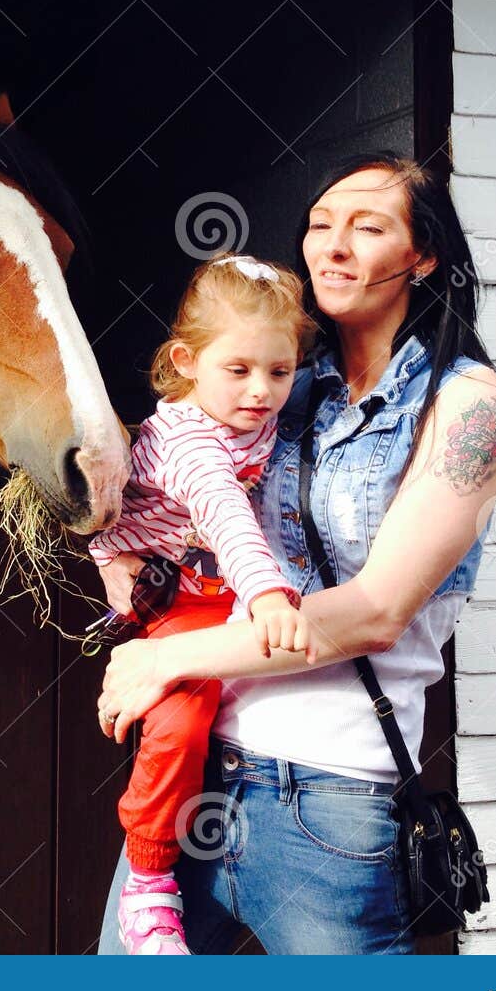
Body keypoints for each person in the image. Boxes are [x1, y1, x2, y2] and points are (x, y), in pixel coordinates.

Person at [93, 153, 496, 954]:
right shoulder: (276, 382)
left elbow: (376, 612)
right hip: (194, 771)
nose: (332, 245)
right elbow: (168, 460)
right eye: (321, 225)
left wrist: (165, 660)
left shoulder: (473, 408)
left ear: (422, 255)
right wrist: (112, 543)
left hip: (325, 802)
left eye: (367, 228)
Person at [85, 252, 317, 954]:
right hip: (187, 589)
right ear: (185, 360)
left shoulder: (264, 405)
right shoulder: (190, 444)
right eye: (239, 370)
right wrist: (269, 593)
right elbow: (225, 515)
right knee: (181, 716)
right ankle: (150, 885)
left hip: (217, 583)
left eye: (280, 372)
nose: (262, 391)